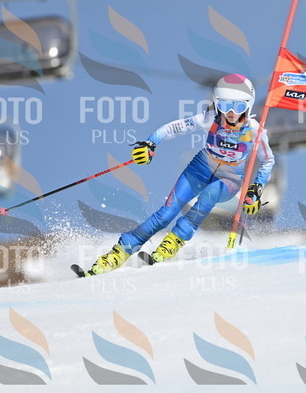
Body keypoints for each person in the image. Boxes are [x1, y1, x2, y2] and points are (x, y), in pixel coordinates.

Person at [85, 74, 275, 276]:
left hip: (229, 179)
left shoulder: (255, 130)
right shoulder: (210, 118)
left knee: (210, 194)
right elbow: (173, 128)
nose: (230, 112)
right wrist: (150, 143)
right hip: (200, 168)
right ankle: (119, 252)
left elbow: (268, 160)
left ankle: (172, 243)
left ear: (248, 106)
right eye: (225, 105)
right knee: (165, 214)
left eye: (238, 106)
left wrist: (256, 189)